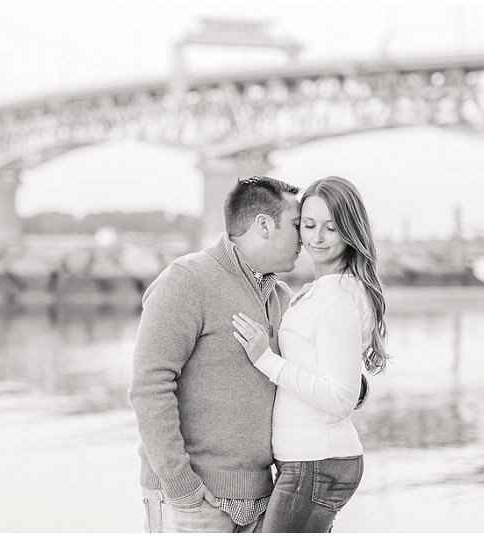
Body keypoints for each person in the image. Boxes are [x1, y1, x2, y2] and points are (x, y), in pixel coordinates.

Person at [128, 176, 302, 533]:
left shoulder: (280, 296)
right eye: (298, 225)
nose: (304, 238)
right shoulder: (187, 280)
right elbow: (150, 386)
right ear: (265, 225)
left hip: (261, 498)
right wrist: (182, 486)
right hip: (194, 501)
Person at [231, 175, 389, 533]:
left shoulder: (337, 298)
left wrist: (265, 360)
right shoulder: (323, 290)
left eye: (331, 228)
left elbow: (340, 397)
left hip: (317, 462)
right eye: (309, 225)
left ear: (350, 230)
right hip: (308, 462)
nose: (316, 238)